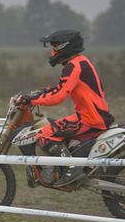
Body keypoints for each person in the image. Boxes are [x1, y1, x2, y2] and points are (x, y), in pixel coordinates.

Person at [15, 29, 114, 187]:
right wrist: (39, 93)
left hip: (90, 118)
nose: (52, 51)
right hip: (91, 115)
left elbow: (58, 96)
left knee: (45, 134)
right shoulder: (80, 62)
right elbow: (60, 87)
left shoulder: (73, 66)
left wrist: (33, 101)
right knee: (49, 125)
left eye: (55, 47)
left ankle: (72, 168)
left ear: (66, 47)